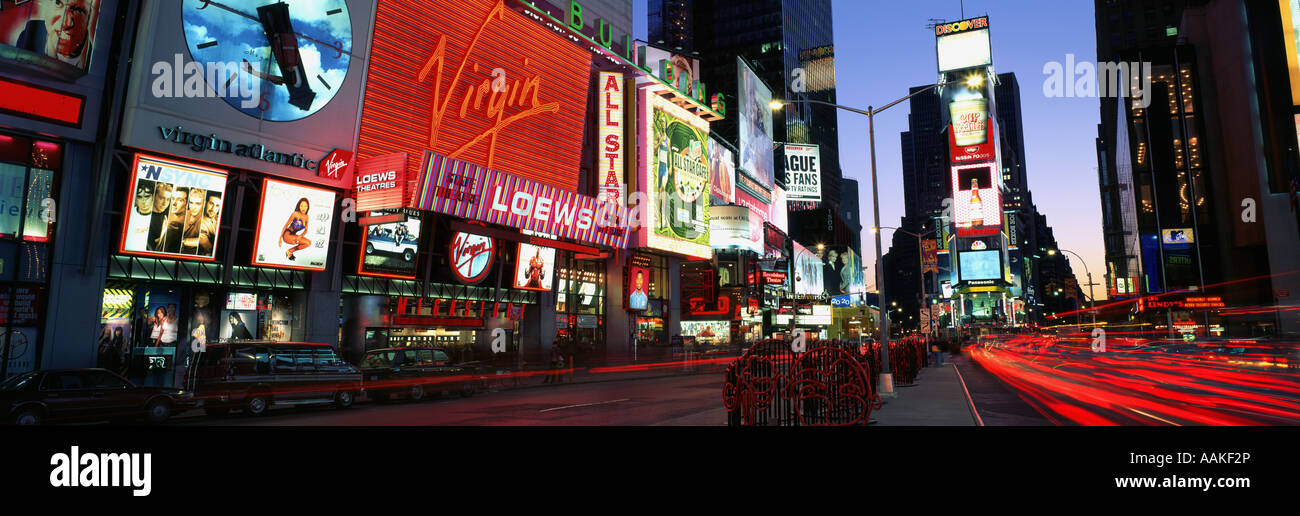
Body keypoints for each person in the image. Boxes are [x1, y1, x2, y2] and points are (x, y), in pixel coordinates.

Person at [14, 0, 97, 70]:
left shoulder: (96, 60)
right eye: (58, 3)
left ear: (90, 18)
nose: (66, 23)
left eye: (79, 10)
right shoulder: (30, 33)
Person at [180, 188, 206, 254]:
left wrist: (184, 242)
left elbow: (204, 241)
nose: (193, 207)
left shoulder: (205, 220)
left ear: (203, 204)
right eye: (191, 203)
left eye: (198, 204)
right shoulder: (185, 213)